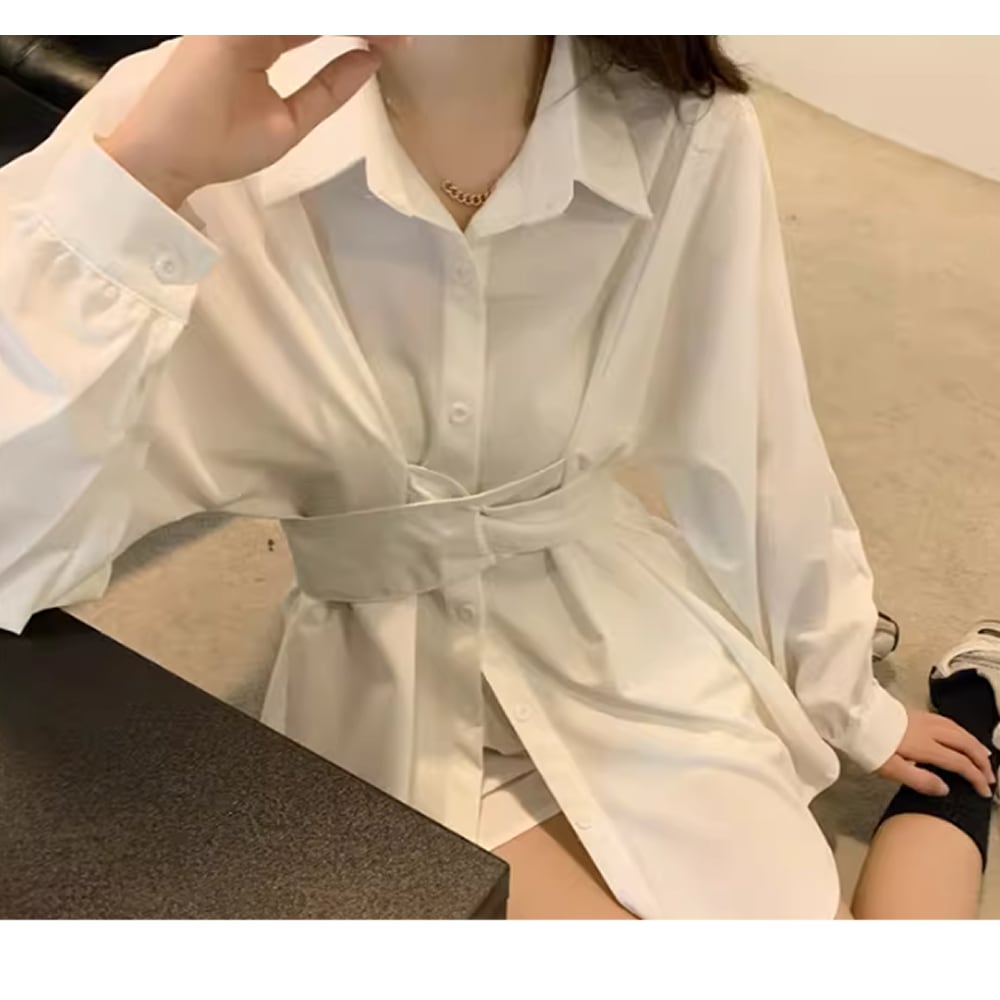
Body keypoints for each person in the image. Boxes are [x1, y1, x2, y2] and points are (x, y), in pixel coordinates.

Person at [0, 34, 996, 919]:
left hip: (614, 635)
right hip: (379, 672)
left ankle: (969, 718)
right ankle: (980, 701)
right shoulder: (174, 107)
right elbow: (14, 546)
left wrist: (840, 689)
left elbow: (751, 426)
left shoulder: (687, 127)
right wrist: (148, 176)